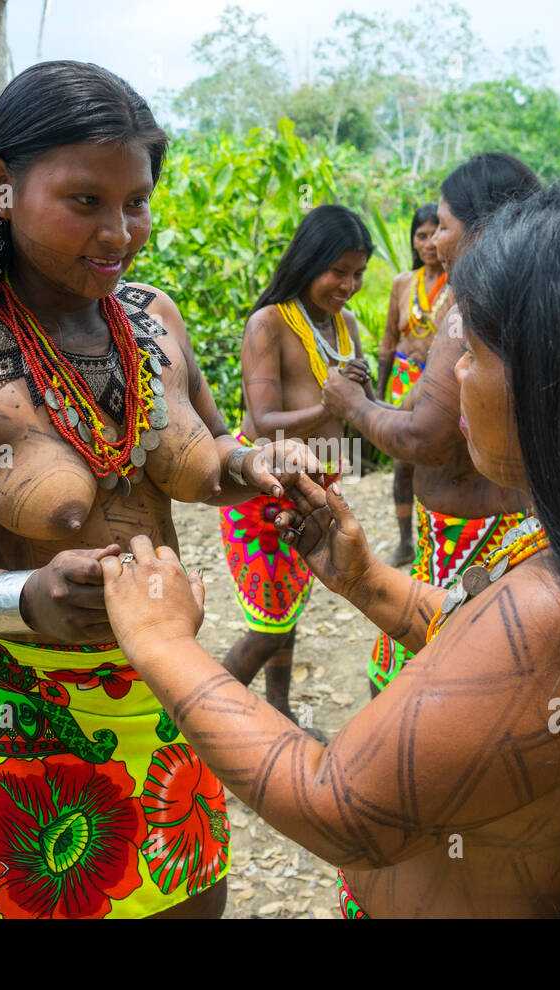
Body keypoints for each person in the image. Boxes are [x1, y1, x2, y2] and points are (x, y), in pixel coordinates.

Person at [98, 180, 560, 918]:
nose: (449, 375)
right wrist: (371, 584)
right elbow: (496, 666)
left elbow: (334, 804)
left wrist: (162, 642)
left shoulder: (551, 608)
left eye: (473, 350)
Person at [0, 61, 306, 919]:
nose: (120, 231)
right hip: (22, 729)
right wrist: (23, 596)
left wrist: (251, 468)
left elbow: (206, 449)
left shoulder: (158, 320)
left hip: (171, 695)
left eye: (135, 201)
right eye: (85, 201)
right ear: (2, 187)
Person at [323, 154, 541, 696]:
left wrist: (350, 402)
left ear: (483, 227)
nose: (436, 242)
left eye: (444, 225)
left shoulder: (473, 305)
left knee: (415, 682)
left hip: (468, 534)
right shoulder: (534, 294)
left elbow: (426, 436)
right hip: (496, 525)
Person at [218, 205, 374, 730]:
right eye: (339, 271)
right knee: (267, 625)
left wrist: (361, 398)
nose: (349, 285)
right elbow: (265, 423)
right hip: (263, 491)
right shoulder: (269, 323)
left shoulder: (346, 325)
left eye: (358, 274)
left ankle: (279, 711)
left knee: (287, 613)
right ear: (309, 262)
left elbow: (349, 405)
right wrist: (336, 404)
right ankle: (199, 726)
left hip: (314, 490)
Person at [375, 203, 449, 567]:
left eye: (437, 232)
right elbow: (388, 341)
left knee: (438, 458)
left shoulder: (458, 283)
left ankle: (438, 539)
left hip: (439, 381)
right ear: (414, 241)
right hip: (404, 381)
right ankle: (406, 542)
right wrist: (377, 395)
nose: (430, 242)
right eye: (422, 235)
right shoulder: (403, 283)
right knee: (403, 463)